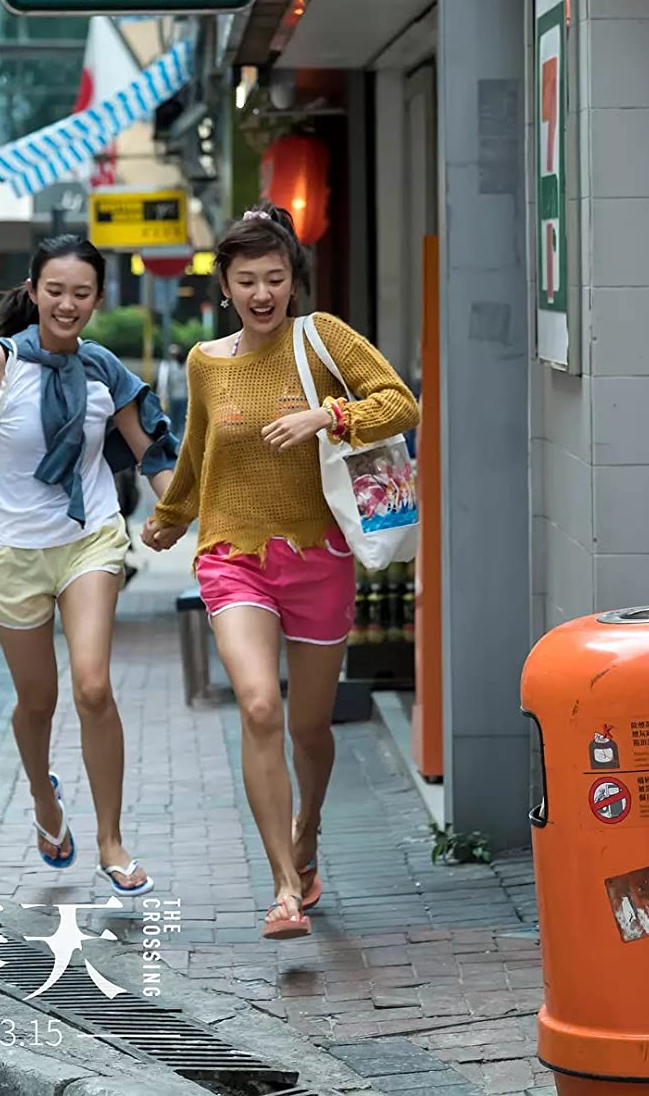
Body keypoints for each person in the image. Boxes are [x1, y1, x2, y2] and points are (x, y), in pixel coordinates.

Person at [141, 203, 420, 941]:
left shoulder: (321, 337)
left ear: (293, 280)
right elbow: (199, 453)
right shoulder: (207, 363)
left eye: (275, 279)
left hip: (321, 560)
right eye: (246, 282)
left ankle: (309, 830)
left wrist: (328, 417)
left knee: (309, 728)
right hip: (233, 558)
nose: (262, 294)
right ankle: (283, 887)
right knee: (259, 705)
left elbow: (400, 402)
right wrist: (171, 516)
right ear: (224, 287)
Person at [0, 236, 178, 892]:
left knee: (91, 686)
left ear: (98, 300)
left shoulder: (104, 370)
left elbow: (153, 453)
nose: (67, 303)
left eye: (81, 293)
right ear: (33, 291)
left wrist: (174, 514)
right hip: (9, 549)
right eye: (55, 290)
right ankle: (44, 801)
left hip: (89, 541)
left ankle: (111, 841)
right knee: (38, 699)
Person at [156, 343, 189, 442]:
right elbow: (163, 382)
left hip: (184, 397)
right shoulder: (166, 366)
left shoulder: (185, 365)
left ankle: (180, 440)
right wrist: (162, 397)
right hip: (172, 397)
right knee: (172, 420)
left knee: (182, 420)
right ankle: (173, 440)